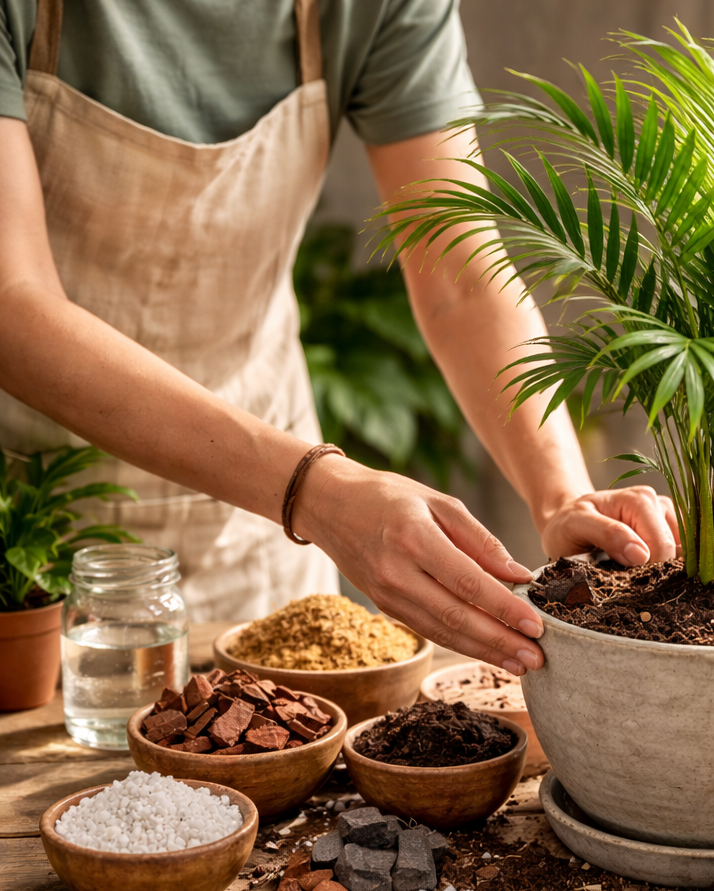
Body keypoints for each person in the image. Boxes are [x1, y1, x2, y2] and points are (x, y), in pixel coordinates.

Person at [0, 0, 677, 675]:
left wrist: (563, 493)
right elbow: (12, 304)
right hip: (26, 535)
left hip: (254, 529)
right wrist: (313, 489)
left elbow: (459, 272)